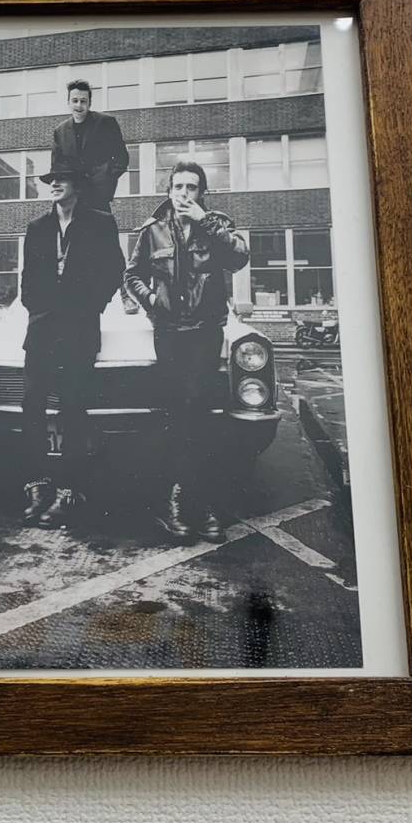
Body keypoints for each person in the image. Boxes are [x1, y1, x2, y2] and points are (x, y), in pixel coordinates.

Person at [124, 160, 249, 542]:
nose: (183, 194)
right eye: (178, 187)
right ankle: (181, 500)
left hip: (206, 332)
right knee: (178, 412)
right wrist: (152, 303)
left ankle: (199, 500)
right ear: (168, 191)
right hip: (170, 333)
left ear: (201, 192)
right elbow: (131, 275)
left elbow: (239, 258)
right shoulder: (153, 231)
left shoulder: (217, 227)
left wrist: (208, 221)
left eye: (191, 187)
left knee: (198, 410)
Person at [20, 158, 124, 527]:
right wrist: (39, 309)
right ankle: (37, 485)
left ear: (77, 185)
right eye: (52, 180)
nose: (55, 184)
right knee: (32, 403)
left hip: (80, 329)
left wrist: (91, 305)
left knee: (72, 409)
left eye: (62, 179)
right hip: (43, 330)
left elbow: (116, 269)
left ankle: (69, 491)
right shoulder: (37, 227)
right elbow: (27, 282)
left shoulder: (99, 223)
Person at [51, 79, 129, 213]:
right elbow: (56, 167)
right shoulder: (60, 131)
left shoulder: (106, 123)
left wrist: (106, 178)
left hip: (98, 195)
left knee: (102, 232)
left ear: (90, 103)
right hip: (71, 198)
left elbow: (122, 158)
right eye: (75, 101)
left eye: (83, 101)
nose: (79, 105)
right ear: (68, 103)